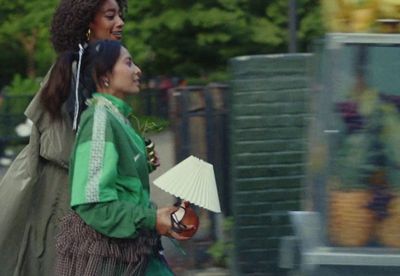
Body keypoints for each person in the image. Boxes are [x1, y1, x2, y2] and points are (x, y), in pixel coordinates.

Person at [0, 1, 136, 275]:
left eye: (120, 14)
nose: (120, 22)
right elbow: (64, 148)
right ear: (87, 23)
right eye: (110, 15)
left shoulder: (92, 70)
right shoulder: (74, 71)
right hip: (61, 198)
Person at [53, 40, 189, 275]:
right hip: (113, 259)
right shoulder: (99, 120)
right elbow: (92, 202)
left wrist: (142, 164)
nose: (138, 70)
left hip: (136, 253)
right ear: (104, 75)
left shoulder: (115, 117)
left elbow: (122, 183)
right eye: (128, 63)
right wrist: (150, 218)